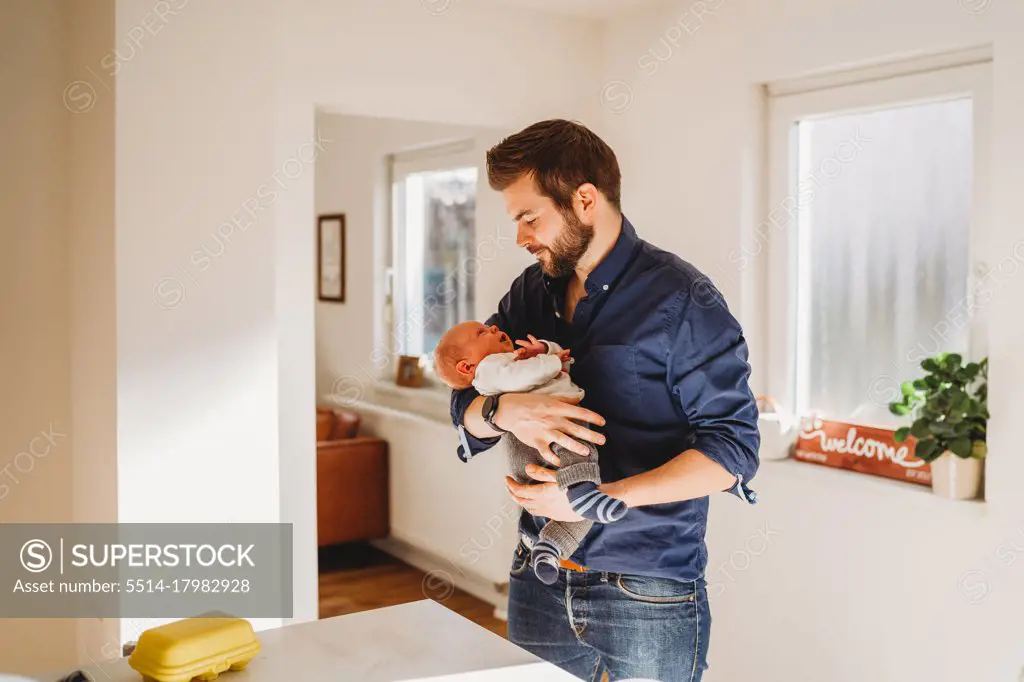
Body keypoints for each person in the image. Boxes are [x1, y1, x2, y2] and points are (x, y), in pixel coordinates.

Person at [446, 118, 760, 682]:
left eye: (528, 217)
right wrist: (502, 411)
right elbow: (467, 395)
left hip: (647, 589)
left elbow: (732, 451)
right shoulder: (529, 292)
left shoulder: (685, 301)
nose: (520, 236)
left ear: (584, 200)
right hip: (537, 576)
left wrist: (599, 500)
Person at [434, 321, 627, 584]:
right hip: (539, 442)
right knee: (579, 452)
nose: (492, 329)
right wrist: (551, 362)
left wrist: (545, 350)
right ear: (467, 367)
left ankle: (550, 548)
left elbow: (560, 361)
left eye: (488, 327)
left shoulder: (509, 359)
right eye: (482, 332)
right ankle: (582, 492)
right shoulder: (490, 369)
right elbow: (521, 377)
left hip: (537, 453)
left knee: (581, 513)